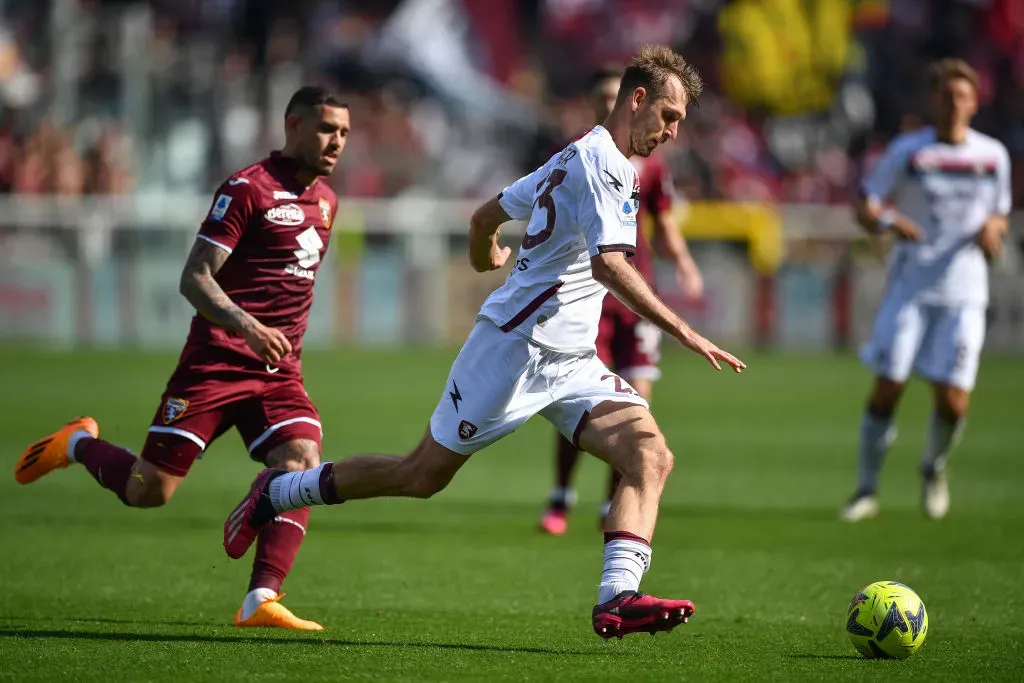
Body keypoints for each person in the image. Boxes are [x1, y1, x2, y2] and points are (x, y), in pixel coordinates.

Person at [223, 45, 745, 639]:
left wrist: (485, 257)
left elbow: (482, 219)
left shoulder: (572, 157)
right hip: (512, 351)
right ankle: (279, 489)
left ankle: (617, 598)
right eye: (669, 116)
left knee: (650, 456)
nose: (673, 132)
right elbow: (609, 266)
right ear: (638, 99)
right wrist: (683, 328)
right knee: (419, 475)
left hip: (571, 359)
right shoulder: (603, 165)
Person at [15, 86, 350, 630]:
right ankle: (77, 442)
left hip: (277, 372)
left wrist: (275, 341)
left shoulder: (329, 202)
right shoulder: (248, 189)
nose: (335, 142)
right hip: (215, 364)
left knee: (302, 461)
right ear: (292, 125)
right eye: (325, 128)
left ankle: (260, 599)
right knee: (148, 492)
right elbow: (194, 277)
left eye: (343, 133)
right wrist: (248, 325)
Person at [841, 59, 1011, 522]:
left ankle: (934, 467)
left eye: (962, 96)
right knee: (888, 386)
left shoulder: (993, 155)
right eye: (945, 95)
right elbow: (866, 204)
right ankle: (866, 489)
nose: (953, 104)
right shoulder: (908, 151)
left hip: (964, 294)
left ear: (975, 103)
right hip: (910, 288)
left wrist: (994, 229)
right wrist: (891, 221)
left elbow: (1000, 211)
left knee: (953, 401)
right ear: (934, 101)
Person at [540, 64, 705, 536]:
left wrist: (685, 264)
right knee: (581, 403)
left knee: (636, 403)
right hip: (592, 298)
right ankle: (560, 495)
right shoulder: (580, 154)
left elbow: (665, 221)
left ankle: (612, 502)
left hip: (637, 294)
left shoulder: (652, 163)